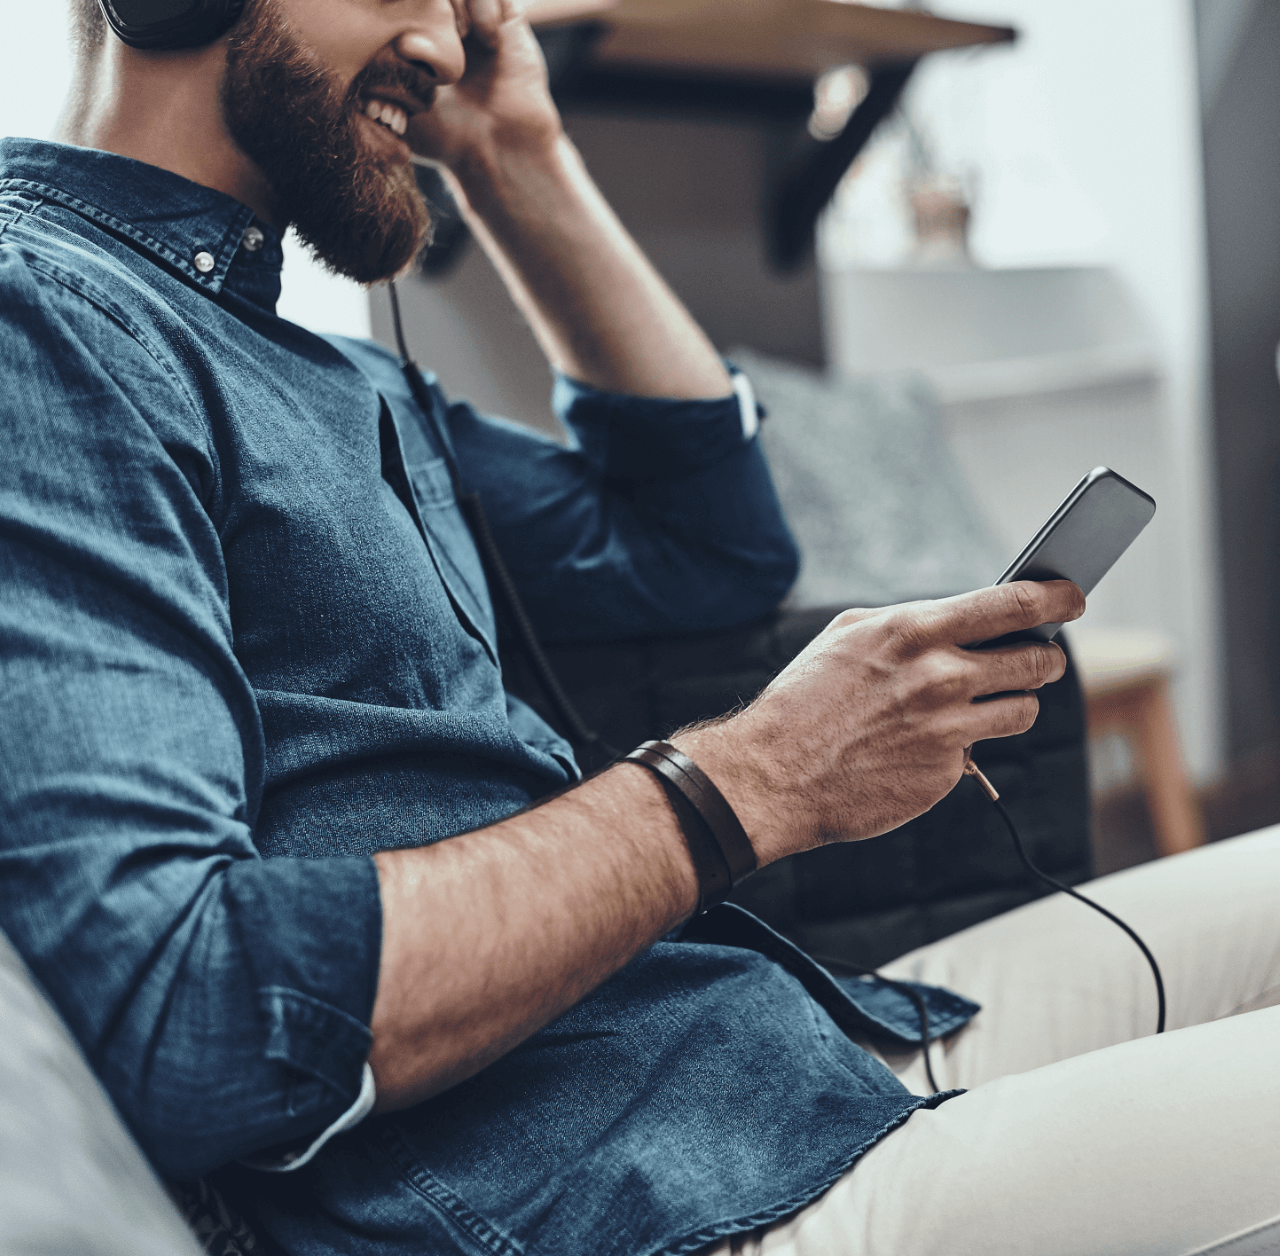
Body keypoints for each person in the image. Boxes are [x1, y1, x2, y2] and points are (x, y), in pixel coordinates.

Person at [0, 1, 1277, 1253]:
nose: (448, 48)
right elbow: (183, 1010)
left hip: (770, 1061)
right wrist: (754, 778)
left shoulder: (329, 372)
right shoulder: (45, 328)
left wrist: (517, 159)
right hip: (640, 1198)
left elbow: (710, 549)